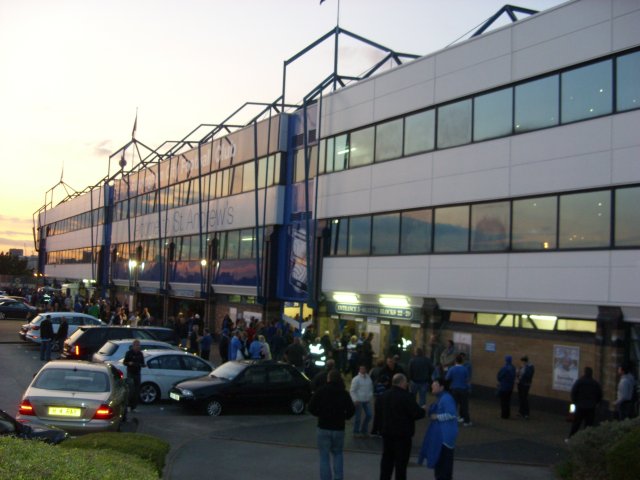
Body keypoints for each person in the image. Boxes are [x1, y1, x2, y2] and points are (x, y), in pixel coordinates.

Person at [308, 369, 355, 480]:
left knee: (324, 456)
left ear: (328, 378)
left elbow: (311, 407)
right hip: (339, 428)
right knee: (338, 454)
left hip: (323, 427)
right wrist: (345, 417)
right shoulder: (344, 393)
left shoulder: (321, 391)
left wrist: (319, 414)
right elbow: (351, 410)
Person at [379, 373, 426, 480]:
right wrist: (423, 409)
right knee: (401, 464)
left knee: (386, 461)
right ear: (402, 383)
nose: (407, 384)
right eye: (406, 382)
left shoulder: (384, 395)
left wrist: (380, 428)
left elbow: (378, 413)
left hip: (387, 434)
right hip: (402, 435)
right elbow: (416, 413)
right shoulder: (407, 397)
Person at [419, 377, 459, 480]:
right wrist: (430, 410)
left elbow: (452, 414)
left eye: (435, 384)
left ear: (441, 387)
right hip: (444, 436)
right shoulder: (443, 397)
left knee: (442, 465)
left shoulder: (446, 398)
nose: (432, 385)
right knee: (444, 465)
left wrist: (437, 416)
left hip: (444, 437)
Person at [567, 366, 602, 440]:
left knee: (576, 423)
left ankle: (571, 438)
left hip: (580, 406)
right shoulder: (595, 383)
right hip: (591, 407)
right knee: (589, 424)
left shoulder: (579, 382)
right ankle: (586, 439)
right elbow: (599, 394)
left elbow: (573, 392)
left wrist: (575, 401)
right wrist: (595, 402)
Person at [446, 354, 471, 426]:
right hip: (463, 389)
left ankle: (452, 419)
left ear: (455, 361)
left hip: (454, 389)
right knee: (464, 406)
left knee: (454, 405)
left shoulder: (452, 369)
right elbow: (467, 379)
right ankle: (466, 421)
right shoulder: (465, 369)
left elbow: (447, 378)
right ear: (462, 361)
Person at [350, 365, 374, 437]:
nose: (362, 370)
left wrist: (370, 396)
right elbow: (352, 390)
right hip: (359, 400)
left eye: (363, 368)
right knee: (358, 417)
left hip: (366, 400)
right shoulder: (356, 379)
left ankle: (363, 430)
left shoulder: (368, 378)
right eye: (361, 368)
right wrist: (355, 399)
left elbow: (370, 388)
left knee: (369, 415)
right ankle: (356, 431)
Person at [123, 340, 146, 412]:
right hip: (130, 373)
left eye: (139, 345)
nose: (138, 346)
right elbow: (124, 362)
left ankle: (134, 407)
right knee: (131, 390)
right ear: (133, 346)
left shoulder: (140, 354)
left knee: (136, 391)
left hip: (137, 373)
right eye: (136, 345)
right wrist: (129, 363)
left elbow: (142, 363)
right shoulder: (129, 353)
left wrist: (142, 365)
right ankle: (128, 406)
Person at [497, 355, 516, 419]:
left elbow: (499, 376)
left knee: (503, 401)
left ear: (506, 360)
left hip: (504, 387)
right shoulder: (513, 367)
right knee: (508, 401)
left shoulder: (504, 368)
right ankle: (507, 414)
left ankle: (504, 415)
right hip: (510, 387)